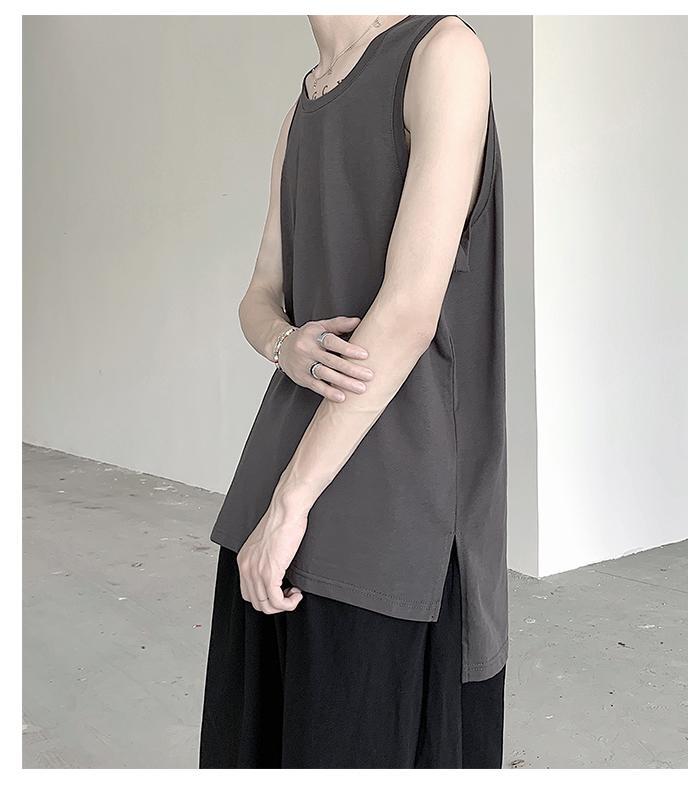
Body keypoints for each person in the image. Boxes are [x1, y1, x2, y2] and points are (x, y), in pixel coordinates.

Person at [199, 14, 507, 769]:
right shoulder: (306, 101)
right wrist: (286, 343)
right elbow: (259, 295)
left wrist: (290, 505)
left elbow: (408, 312)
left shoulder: (443, 53)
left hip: (390, 503)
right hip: (284, 481)